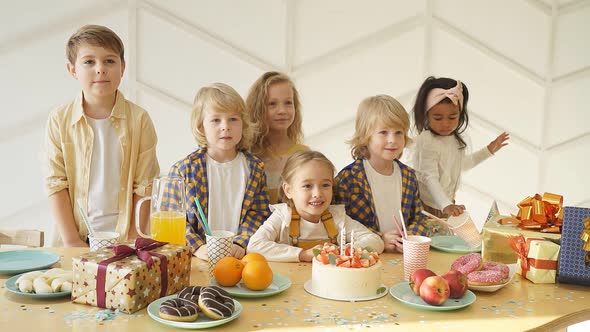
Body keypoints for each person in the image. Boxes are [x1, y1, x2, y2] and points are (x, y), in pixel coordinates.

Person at [44, 25, 159, 247]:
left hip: (125, 237)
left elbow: (145, 185)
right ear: (72, 70)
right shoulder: (59, 120)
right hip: (74, 236)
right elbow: (55, 184)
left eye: (109, 61)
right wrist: (71, 241)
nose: (100, 69)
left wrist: (134, 237)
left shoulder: (140, 119)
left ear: (123, 67)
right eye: (89, 62)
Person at [167, 83, 270, 259]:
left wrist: (241, 242)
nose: (225, 126)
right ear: (201, 127)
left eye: (233, 119)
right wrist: (197, 247)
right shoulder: (184, 170)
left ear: (243, 124)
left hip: (238, 257)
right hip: (196, 259)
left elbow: (258, 214)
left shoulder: (254, 169)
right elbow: (172, 219)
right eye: (216, 120)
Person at [247, 150, 384, 262]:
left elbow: (376, 241)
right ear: (288, 190)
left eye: (325, 185)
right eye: (307, 186)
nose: (317, 193)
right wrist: (302, 254)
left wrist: (342, 250)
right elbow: (254, 246)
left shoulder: (337, 217)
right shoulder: (282, 217)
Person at [334, 95, 429, 253]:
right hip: (364, 260)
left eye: (399, 132)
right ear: (365, 136)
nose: (392, 140)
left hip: (401, 257)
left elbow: (418, 217)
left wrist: (412, 235)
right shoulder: (348, 178)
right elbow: (339, 225)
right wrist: (379, 238)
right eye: (383, 132)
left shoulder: (409, 176)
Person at [407, 76, 509, 217]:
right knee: (430, 238)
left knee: (445, 237)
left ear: (460, 115)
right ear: (426, 115)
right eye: (437, 118)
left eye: (452, 117)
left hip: (445, 204)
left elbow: (462, 164)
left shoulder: (454, 140)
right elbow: (429, 177)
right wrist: (445, 205)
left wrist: (488, 150)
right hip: (426, 206)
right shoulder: (428, 142)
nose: (445, 124)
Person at [246, 71, 309, 204]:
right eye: (272, 104)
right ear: (257, 109)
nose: (282, 110)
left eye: (288, 103)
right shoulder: (246, 156)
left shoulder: (304, 155)